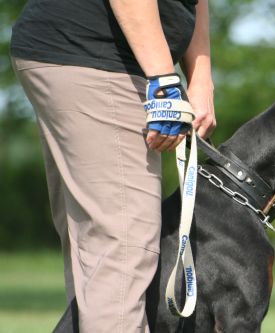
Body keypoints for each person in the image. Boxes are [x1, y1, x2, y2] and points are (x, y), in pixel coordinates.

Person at [10, 0, 215, 331]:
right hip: (96, 56)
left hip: (86, 56)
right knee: (122, 255)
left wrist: (201, 76)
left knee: (101, 260)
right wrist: (165, 80)